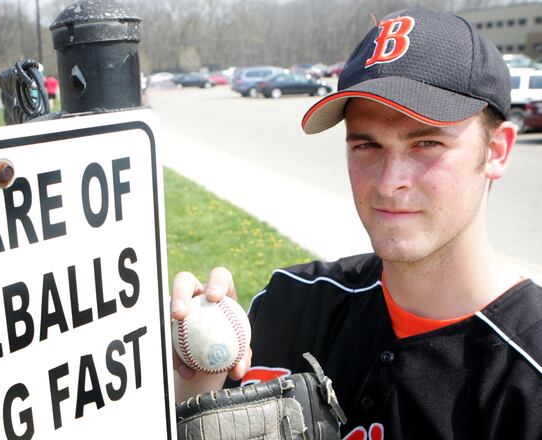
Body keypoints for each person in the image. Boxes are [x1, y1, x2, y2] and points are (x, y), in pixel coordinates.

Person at [171, 8, 541, 439]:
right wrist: (196, 381)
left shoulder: (528, 378)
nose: (388, 182)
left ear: (496, 151)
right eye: (366, 145)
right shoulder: (288, 306)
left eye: (425, 142)